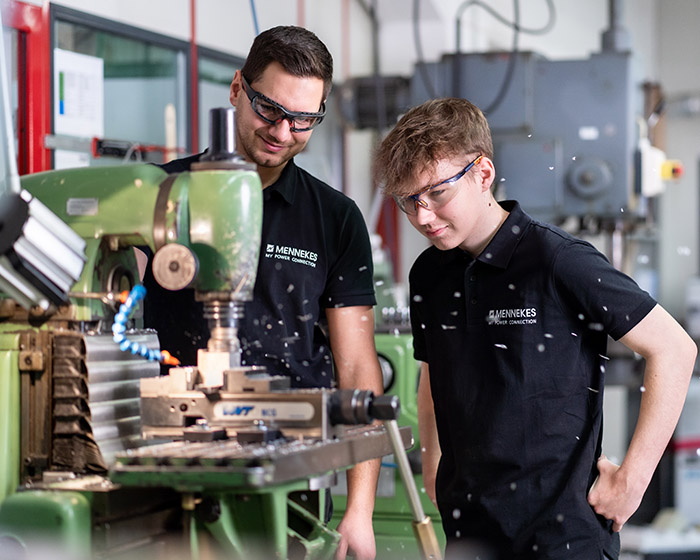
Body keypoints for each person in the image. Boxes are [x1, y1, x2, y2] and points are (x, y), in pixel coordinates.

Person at [372, 97, 697, 559]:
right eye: (409, 200)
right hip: (470, 532)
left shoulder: (557, 259)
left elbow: (674, 348)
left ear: (483, 174)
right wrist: (434, 459)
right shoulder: (429, 272)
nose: (422, 216)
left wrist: (633, 480)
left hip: (561, 534)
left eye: (437, 193)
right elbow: (433, 368)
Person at [143, 26, 382, 560]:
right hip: (169, 460)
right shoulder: (158, 197)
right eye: (269, 109)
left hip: (291, 468)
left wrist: (359, 510)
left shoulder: (335, 220)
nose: (283, 130)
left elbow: (358, 369)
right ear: (236, 88)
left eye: (304, 120)